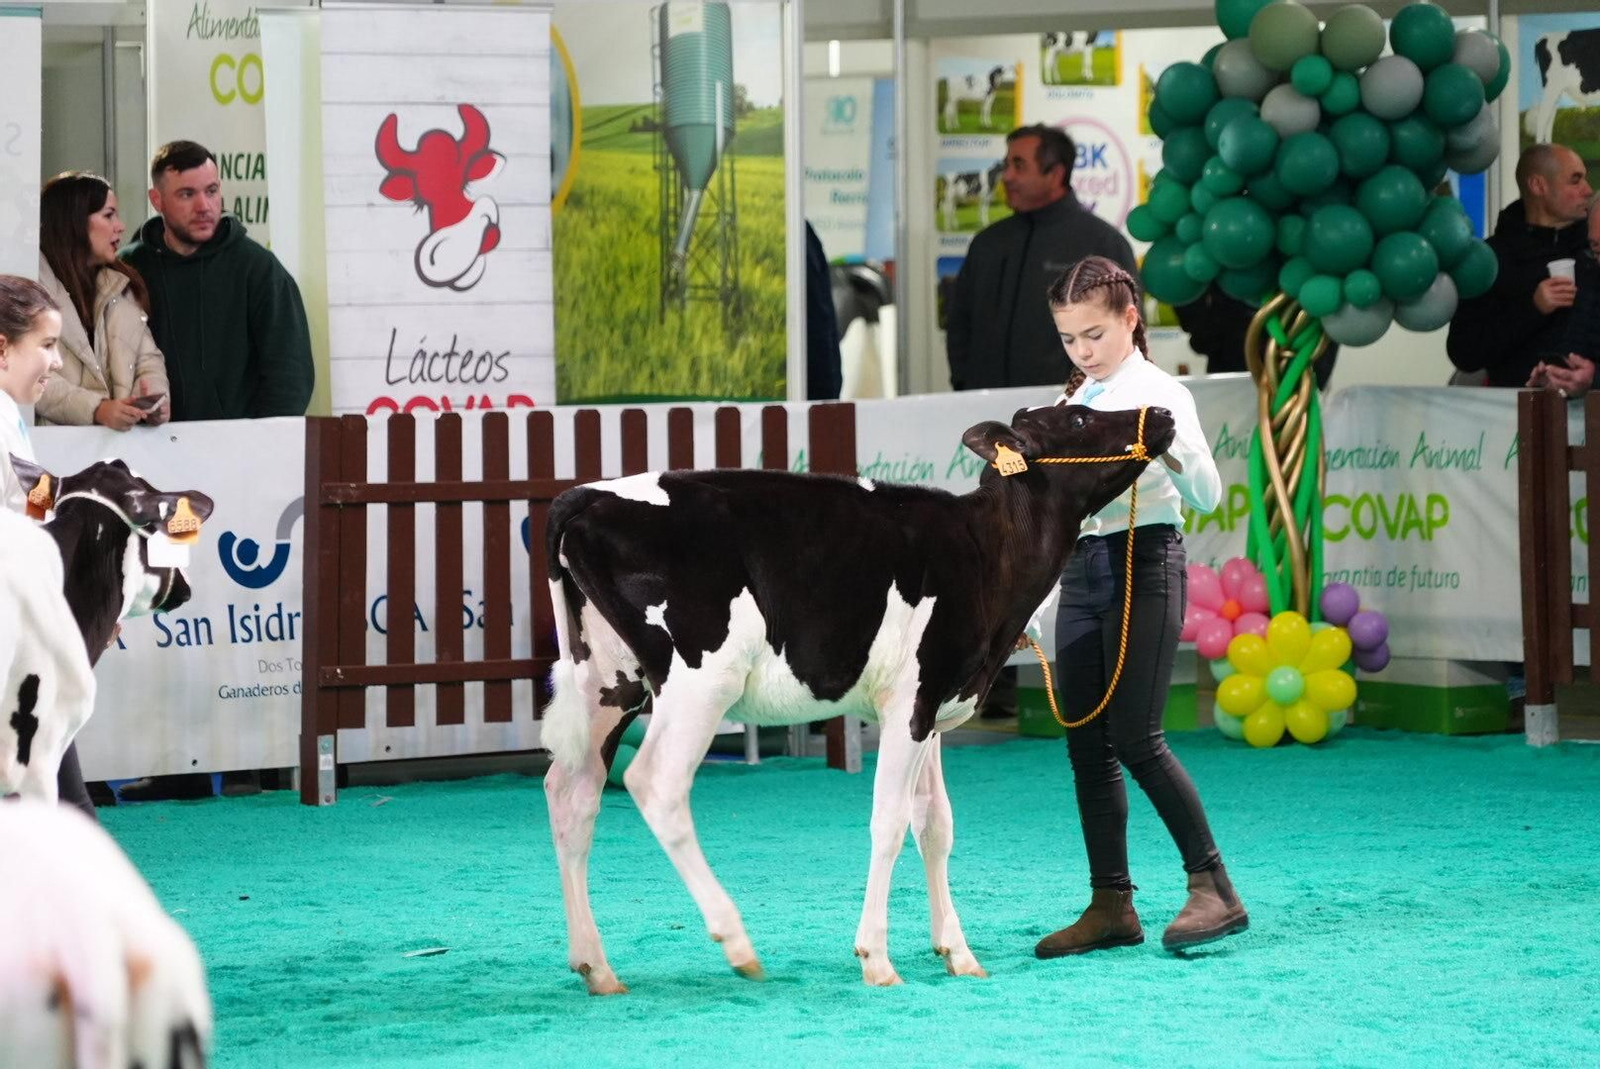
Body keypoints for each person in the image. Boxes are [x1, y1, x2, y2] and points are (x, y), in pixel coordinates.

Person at [1031, 256, 1247, 958]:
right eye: (1069, 339)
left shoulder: (1161, 392)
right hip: (1081, 569)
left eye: (1094, 334)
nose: (1082, 351)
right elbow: (1051, 505)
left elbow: (1208, 494)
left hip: (1144, 562)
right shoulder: (1072, 398)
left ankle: (1214, 887)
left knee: (1135, 737)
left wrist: (1166, 441)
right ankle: (1111, 905)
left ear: (1130, 318)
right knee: (1085, 745)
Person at [946, 125, 1136, 720]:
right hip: (998, 439)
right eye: (1007, 162)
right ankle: (989, 681)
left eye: (1019, 164)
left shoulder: (1100, 244)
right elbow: (960, 326)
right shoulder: (989, 243)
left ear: (1056, 173)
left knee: (1059, 553)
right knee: (993, 553)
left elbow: (1122, 338)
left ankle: (1086, 681)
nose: (1006, 175)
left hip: (1067, 437)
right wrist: (969, 391)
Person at [119, 140, 314, 421]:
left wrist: (257, 439)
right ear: (157, 200)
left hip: (239, 442)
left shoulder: (258, 268)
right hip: (147, 440)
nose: (204, 206)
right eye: (187, 194)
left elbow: (290, 375)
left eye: (211, 191)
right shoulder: (129, 269)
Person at [0, 275, 97, 820]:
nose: (57, 362)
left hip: (22, 630)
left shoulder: (9, 418)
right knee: (62, 796)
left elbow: (33, 513)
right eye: (47, 344)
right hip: (17, 631)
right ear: (2, 347)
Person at [1448, 143, 1593, 390]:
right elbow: (1465, 353)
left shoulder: (1593, 251)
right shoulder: (1489, 259)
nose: (1588, 190)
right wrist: (1532, 308)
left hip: (1589, 406)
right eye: (1575, 180)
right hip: (1513, 405)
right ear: (1538, 186)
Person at [36, 171, 171, 429]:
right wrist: (97, 409)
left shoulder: (122, 287)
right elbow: (28, 375)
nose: (120, 226)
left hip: (120, 447)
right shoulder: (28, 291)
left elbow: (148, 361)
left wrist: (154, 400)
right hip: (51, 450)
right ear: (74, 222)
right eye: (109, 215)